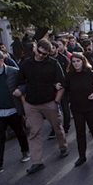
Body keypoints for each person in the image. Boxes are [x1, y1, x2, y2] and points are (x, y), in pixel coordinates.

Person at [14, 39, 68, 174]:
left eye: (44, 54)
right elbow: (20, 83)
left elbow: (62, 84)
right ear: (35, 48)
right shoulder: (26, 64)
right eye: (39, 52)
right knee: (34, 132)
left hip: (50, 102)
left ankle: (63, 147)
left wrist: (56, 101)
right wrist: (24, 102)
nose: (41, 55)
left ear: (48, 53)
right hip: (31, 104)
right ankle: (37, 162)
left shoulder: (54, 64)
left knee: (57, 127)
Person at [0, 51, 30, 176]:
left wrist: (20, 90)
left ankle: (25, 151)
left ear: (1, 60)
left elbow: (25, 83)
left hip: (13, 110)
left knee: (20, 132)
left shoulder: (14, 71)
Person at [63, 53, 93, 166]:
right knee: (80, 131)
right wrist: (58, 86)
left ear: (83, 61)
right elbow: (65, 87)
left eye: (78, 61)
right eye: (74, 61)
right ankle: (82, 156)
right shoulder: (69, 75)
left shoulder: (90, 74)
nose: (76, 64)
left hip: (91, 106)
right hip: (76, 107)